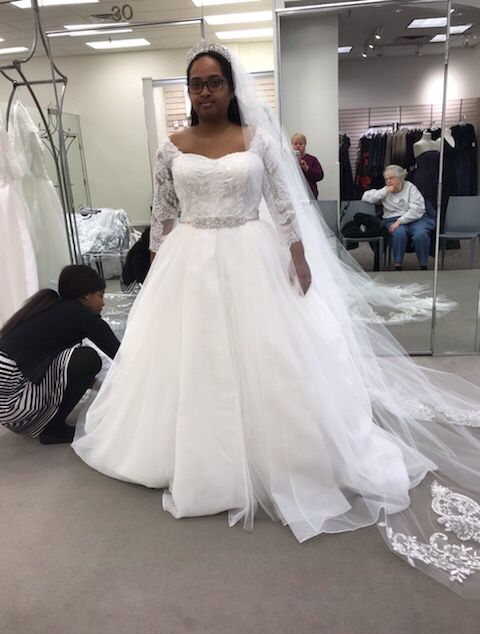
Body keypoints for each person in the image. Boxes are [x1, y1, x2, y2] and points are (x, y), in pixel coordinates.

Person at [72, 42, 480, 595]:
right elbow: (162, 212)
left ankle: (277, 452)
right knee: (192, 356)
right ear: (188, 92)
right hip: (188, 261)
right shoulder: (171, 146)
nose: (205, 92)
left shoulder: (257, 139)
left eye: (214, 82)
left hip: (250, 251)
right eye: (196, 84)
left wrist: (298, 252)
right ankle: (191, 454)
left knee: (268, 354)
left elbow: (284, 201)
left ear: (230, 87)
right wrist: (158, 267)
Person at [0, 265, 119, 444]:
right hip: (13, 404)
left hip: (7, 404)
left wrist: (101, 387)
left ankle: (49, 423)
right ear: (87, 294)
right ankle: (53, 429)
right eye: (100, 296)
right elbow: (119, 354)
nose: (103, 303)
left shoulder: (51, 308)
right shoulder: (81, 315)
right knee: (89, 358)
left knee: (74, 359)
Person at [362, 165, 435, 270]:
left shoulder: (410, 188)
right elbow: (365, 197)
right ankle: (398, 264)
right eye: (386, 179)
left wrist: (400, 221)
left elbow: (418, 209)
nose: (388, 181)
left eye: (391, 178)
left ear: (400, 178)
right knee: (399, 233)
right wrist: (384, 191)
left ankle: (423, 264)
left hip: (415, 218)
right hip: (392, 218)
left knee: (421, 234)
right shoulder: (385, 190)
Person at [291, 133, 324, 199]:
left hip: (310, 196)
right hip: (294, 196)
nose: (298, 146)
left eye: (301, 144)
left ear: (305, 145)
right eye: (295, 144)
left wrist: (307, 169)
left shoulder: (312, 159)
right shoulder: (288, 159)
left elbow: (320, 176)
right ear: (292, 145)